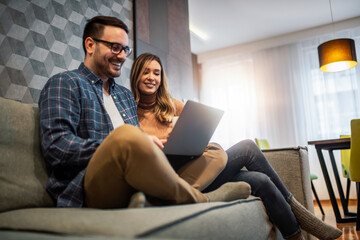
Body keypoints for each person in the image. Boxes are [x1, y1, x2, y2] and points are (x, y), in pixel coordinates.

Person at [38, 16, 251, 211]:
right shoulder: (65, 83)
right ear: (90, 45)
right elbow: (56, 145)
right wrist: (122, 145)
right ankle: (199, 199)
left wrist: (156, 144)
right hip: (89, 183)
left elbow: (138, 142)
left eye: (125, 50)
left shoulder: (124, 96)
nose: (121, 56)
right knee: (126, 136)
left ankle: (156, 202)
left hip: (134, 178)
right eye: (115, 47)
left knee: (215, 151)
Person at [130, 53, 342, 240]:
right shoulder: (127, 111)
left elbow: (195, 134)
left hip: (198, 167)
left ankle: (296, 235)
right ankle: (303, 215)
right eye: (146, 72)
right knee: (248, 147)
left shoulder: (173, 105)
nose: (152, 77)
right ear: (136, 75)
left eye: (156, 73)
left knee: (261, 180)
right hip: (173, 176)